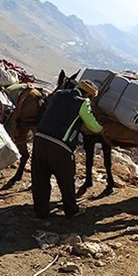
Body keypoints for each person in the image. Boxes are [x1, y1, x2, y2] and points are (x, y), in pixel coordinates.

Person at [31, 79, 103, 219]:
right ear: (88, 95)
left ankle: (41, 211)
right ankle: (71, 210)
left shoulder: (59, 94)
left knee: (40, 177)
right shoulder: (83, 103)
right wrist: (102, 128)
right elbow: (93, 127)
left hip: (40, 139)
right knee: (66, 179)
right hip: (60, 145)